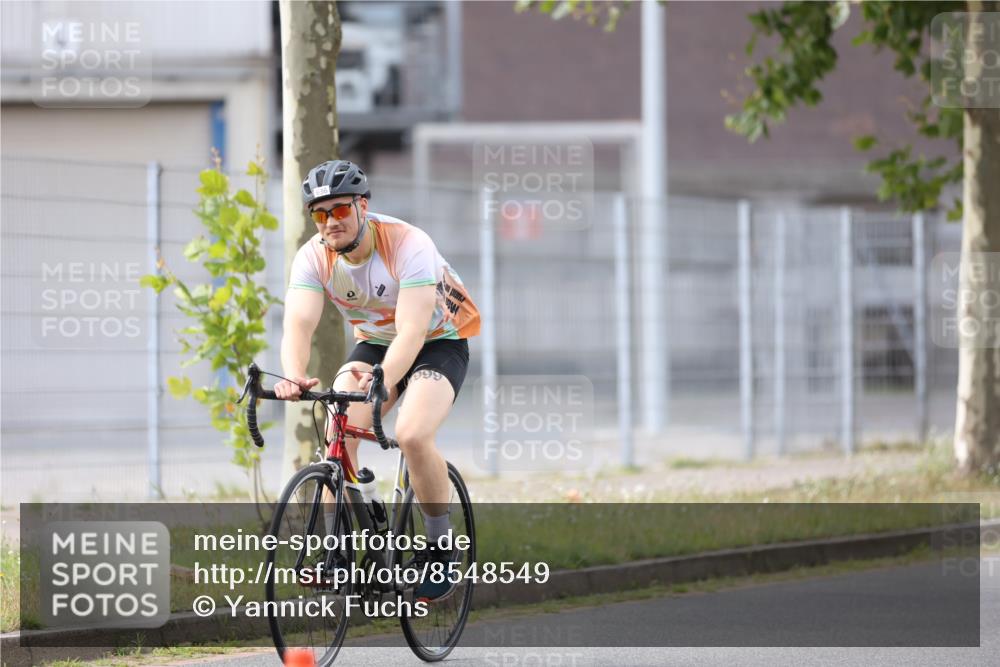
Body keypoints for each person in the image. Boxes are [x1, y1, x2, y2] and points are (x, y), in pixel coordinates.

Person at [274, 159, 479, 601]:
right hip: (376, 344)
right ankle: (339, 552)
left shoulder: (408, 244)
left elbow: (412, 330)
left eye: (341, 210)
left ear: (363, 206)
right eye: (320, 214)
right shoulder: (313, 257)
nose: (331, 222)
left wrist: (384, 380)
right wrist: (294, 375)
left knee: (412, 434)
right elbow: (298, 325)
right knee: (337, 427)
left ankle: (441, 549)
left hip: (437, 341)